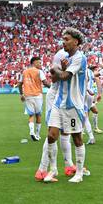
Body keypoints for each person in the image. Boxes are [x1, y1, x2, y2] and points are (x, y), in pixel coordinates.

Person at [46, 27, 87, 183]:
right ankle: (53, 170)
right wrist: (57, 70)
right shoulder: (64, 56)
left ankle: (79, 173)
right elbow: (56, 74)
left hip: (73, 107)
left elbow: (63, 76)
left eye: (67, 39)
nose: (64, 42)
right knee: (51, 136)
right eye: (63, 39)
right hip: (59, 103)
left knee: (76, 137)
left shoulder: (79, 58)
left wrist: (56, 69)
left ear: (76, 42)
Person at [35, 49, 78, 182]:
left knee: (67, 132)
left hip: (68, 99)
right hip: (56, 96)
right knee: (52, 133)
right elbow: (54, 77)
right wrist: (64, 71)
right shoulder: (61, 54)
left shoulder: (77, 55)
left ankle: (69, 165)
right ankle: (42, 170)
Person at [18, 57, 50, 141]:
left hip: (28, 95)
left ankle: (32, 132)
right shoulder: (39, 72)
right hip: (37, 95)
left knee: (31, 115)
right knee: (38, 115)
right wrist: (53, 87)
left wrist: (21, 94)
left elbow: (19, 84)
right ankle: (37, 134)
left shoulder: (24, 72)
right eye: (39, 63)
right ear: (34, 63)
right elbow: (45, 82)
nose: (40, 64)